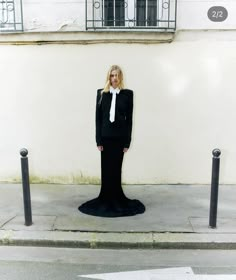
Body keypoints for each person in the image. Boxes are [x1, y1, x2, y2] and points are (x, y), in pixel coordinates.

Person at [78, 65, 145, 217]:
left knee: (116, 169)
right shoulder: (101, 94)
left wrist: (127, 142)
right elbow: (98, 118)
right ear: (109, 77)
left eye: (117, 75)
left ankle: (116, 198)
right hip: (106, 137)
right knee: (106, 170)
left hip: (120, 138)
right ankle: (106, 198)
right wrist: (98, 140)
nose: (114, 78)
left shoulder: (128, 95)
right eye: (112, 75)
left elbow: (129, 120)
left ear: (121, 77)